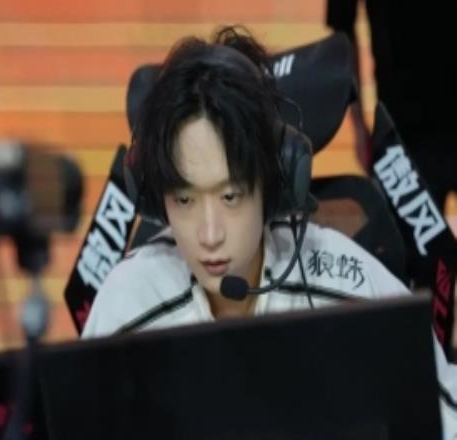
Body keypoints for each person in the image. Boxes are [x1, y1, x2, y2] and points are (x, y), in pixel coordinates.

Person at [81, 26, 457, 437]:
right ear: (156, 199)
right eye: (185, 200)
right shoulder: (127, 305)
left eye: (230, 196)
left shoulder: (351, 289)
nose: (209, 235)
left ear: (276, 184)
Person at [326, 0, 457, 213]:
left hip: (405, 125)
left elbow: (342, 27)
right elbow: (342, 25)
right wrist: (358, 125)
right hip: (404, 132)